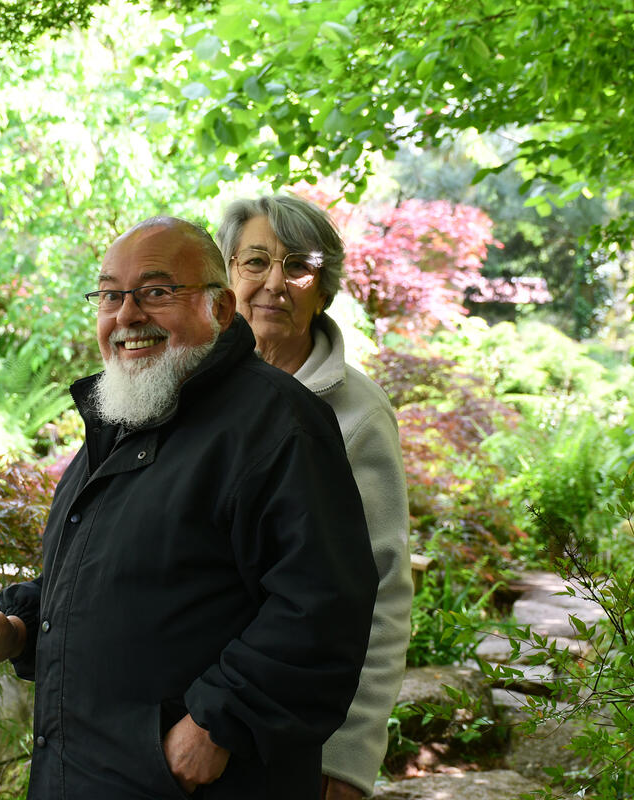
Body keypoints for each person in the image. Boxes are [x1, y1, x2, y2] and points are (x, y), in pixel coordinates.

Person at [0, 216, 378, 800]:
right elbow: (121, 575)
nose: (127, 315)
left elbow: (323, 605)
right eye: (111, 295)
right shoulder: (124, 416)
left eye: (155, 293)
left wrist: (216, 724)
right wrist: (20, 628)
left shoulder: (278, 424)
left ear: (220, 310)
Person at [216, 195, 412, 800]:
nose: (275, 282)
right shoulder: (192, 392)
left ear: (322, 290)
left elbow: (380, 591)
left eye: (298, 265)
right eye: (256, 262)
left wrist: (349, 756)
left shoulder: (356, 416)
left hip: (290, 740)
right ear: (227, 277)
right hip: (188, 724)